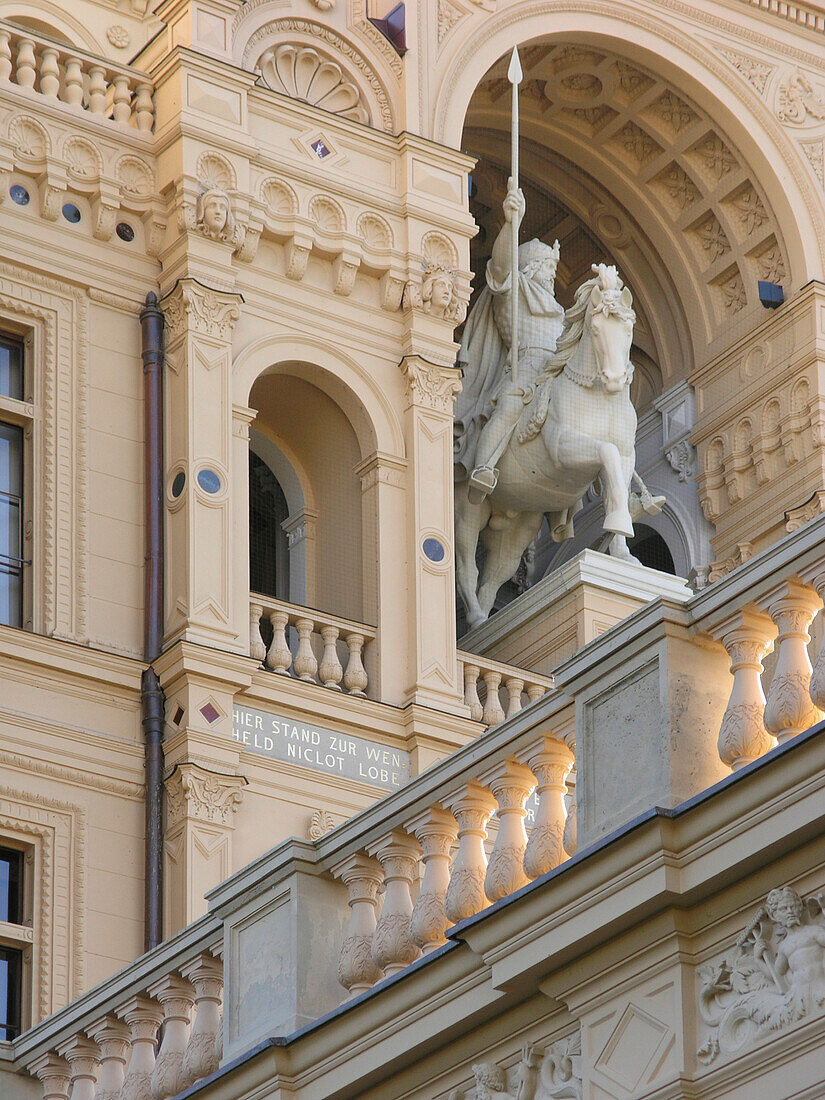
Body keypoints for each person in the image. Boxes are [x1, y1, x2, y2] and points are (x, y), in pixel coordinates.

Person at [454, 179, 564, 502]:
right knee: (509, 408)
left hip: (556, 370)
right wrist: (511, 224)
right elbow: (500, 265)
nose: (551, 276)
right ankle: (483, 467)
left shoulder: (558, 309)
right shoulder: (512, 289)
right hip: (525, 367)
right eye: (547, 267)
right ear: (529, 267)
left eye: (553, 270)